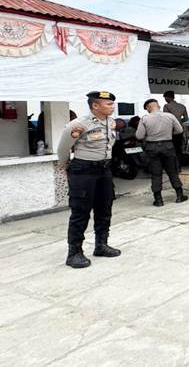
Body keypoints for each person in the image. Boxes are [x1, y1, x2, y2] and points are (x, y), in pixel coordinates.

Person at [56, 91, 122, 269]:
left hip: (104, 170)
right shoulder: (78, 124)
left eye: (112, 103)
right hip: (83, 170)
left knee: (104, 209)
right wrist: (64, 166)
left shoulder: (110, 122)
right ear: (95, 105)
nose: (112, 107)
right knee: (80, 212)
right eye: (108, 104)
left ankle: (101, 245)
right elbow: (63, 148)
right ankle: (74, 253)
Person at [136, 98, 188, 207]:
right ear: (158, 106)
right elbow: (179, 130)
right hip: (168, 146)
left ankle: (158, 200)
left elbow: (139, 136)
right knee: (172, 171)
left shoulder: (145, 119)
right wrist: (168, 134)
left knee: (156, 174)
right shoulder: (170, 116)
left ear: (148, 108)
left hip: (152, 147)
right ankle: (179, 195)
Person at [162, 91, 188, 168]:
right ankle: (178, 165)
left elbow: (166, 118)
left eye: (165, 97)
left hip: (171, 130)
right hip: (180, 130)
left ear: (168, 97)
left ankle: (172, 166)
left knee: (170, 148)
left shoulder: (167, 106)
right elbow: (186, 118)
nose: (165, 99)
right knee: (178, 148)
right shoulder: (182, 106)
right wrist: (179, 121)